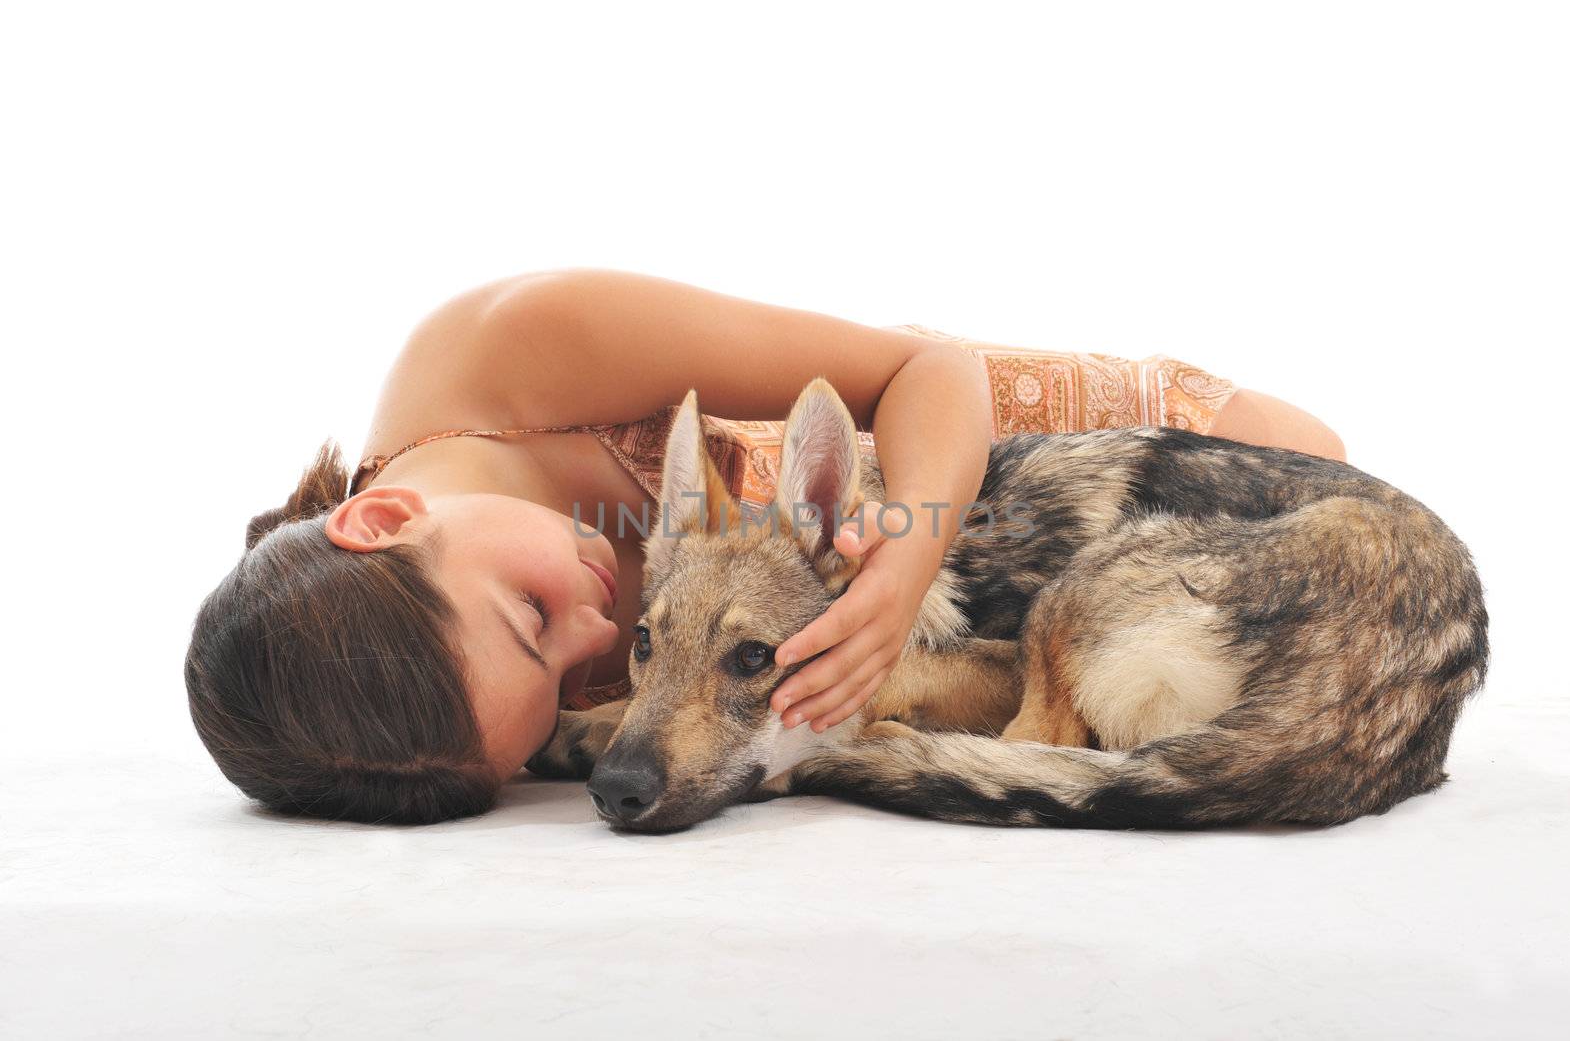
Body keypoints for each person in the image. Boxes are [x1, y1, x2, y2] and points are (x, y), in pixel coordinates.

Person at [184, 269, 1344, 824]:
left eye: (531, 619)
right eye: (562, 685)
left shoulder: (503, 354)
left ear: (385, 519)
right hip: (1002, 623)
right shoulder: (521, 681)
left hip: (978, 443)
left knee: (1314, 459)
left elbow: (915, 373)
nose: (594, 634)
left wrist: (897, 561)